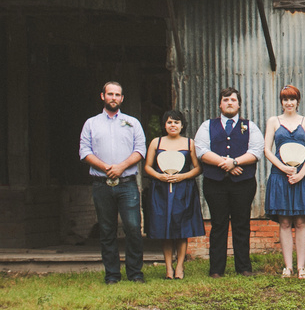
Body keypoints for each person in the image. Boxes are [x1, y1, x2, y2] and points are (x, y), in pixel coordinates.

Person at [79, 81, 147, 284]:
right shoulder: (91, 123)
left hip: (127, 183)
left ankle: (135, 274)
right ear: (103, 96)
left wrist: (120, 167)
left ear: (122, 98)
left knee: (133, 227)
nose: (114, 98)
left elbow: (140, 150)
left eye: (117, 95)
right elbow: (84, 151)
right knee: (107, 230)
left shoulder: (132, 122)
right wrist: (105, 167)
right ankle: (112, 275)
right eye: (110, 94)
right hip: (101, 183)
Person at [194, 86, 264, 277]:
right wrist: (224, 163)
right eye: (225, 100)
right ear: (220, 104)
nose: (229, 103)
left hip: (243, 183)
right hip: (214, 183)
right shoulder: (207, 126)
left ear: (239, 104)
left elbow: (256, 151)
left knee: (242, 224)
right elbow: (201, 150)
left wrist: (235, 162)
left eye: (233, 100)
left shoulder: (250, 126)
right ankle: (216, 270)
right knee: (218, 224)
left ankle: (244, 267)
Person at [264, 85, 305, 279]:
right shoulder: (273, 121)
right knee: (285, 222)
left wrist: (300, 173)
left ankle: (301, 267)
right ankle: (287, 267)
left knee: (300, 221)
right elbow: (267, 150)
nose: (289, 103)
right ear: (281, 102)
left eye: (292, 99)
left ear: (298, 101)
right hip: (280, 176)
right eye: (285, 99)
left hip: (303, 176)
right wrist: (283, 168)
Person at [143, 108, 204, 280]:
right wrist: (159, 176)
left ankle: (180, 267)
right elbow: (147, 166)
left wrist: (183, 176)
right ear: (165, 125)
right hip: (160, 190)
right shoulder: (156, 142)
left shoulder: (189, 143)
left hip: (183, 190)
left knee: (181, 229)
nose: (173, 125)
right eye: (169, 122)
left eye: (176, 122)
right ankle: (168, 268)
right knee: (165, 229)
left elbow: (198, 168)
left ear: (182, 125)